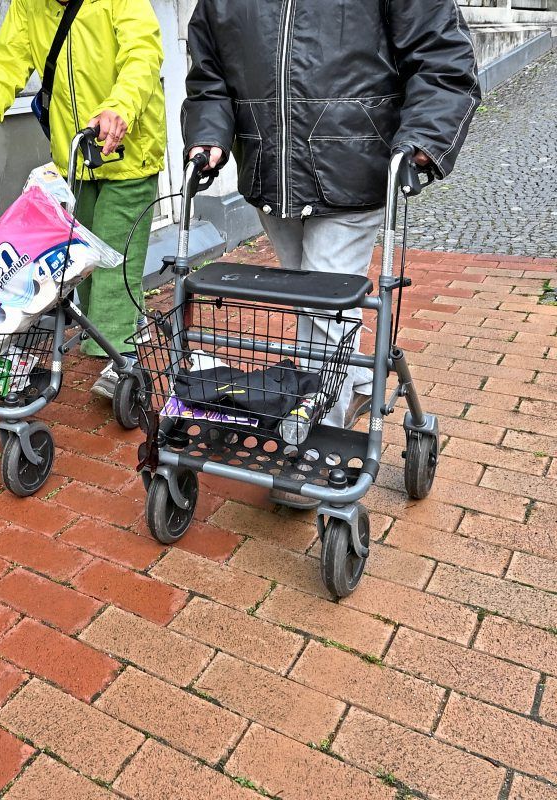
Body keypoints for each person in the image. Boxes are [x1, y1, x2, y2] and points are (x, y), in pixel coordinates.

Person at [181, 0, 480, 508]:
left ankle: (315, 447)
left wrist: (426, 136)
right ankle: (359, 375)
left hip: (356, 166)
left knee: (322, 311)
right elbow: (209, 73)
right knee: (313, 302)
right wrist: (209, 135)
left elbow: (442, 57)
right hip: (271, 174)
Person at [0, 0, 167, 399]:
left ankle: (121, 359)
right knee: (80, 261)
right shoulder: (29, 6)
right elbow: (6, 66)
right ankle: (114, 333)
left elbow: (142, 55)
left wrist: (120, 107)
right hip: (77, 159)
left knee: (116, 256)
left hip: (129, 153)